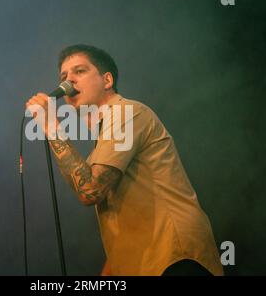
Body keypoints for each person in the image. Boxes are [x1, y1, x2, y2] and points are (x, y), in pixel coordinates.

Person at [25, 44, 224, 276]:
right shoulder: (99, 150)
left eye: (79, 71)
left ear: (107, 80)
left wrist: (51, 127)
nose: (68, 81)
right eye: (64, 76)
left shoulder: (127, 112)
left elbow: (90, 190)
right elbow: (118, 218)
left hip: (175, 259)